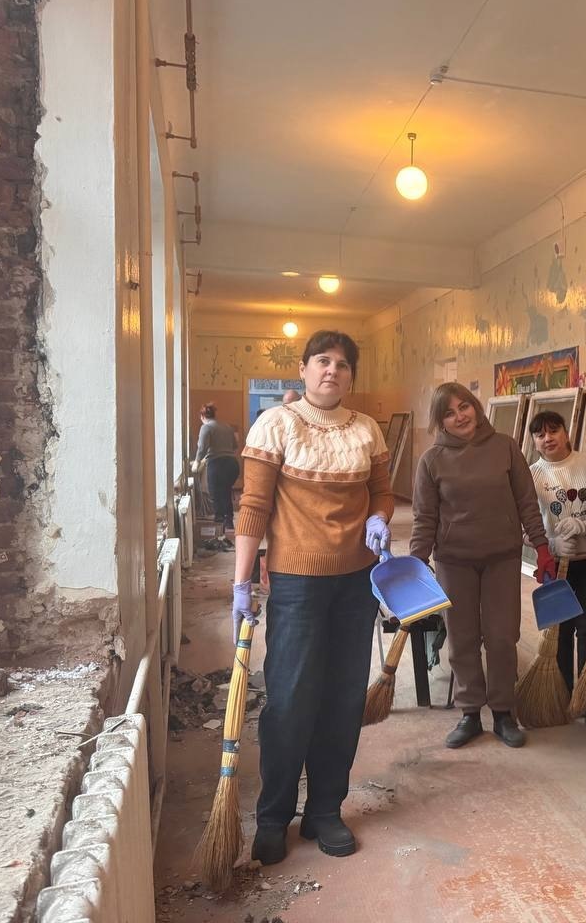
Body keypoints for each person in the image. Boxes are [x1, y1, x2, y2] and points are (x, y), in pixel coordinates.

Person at [231, 330, 393, 865]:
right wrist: (241, 581)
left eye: (343, 365)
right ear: (303, 370)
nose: (332, 371)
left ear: (351, 376)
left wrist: (379, 517)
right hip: (297, 584)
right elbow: (254, 506)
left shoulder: (366, 429)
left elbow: (382, 492)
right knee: (290, 699)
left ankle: (325, 810)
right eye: (322, 361)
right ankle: (274, 816)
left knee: (343, 699)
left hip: (357, 582)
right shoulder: (277, 424)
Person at [411, 382, 553, 750]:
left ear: (475, 406)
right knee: (462, 638)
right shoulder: (431, 461)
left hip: (501, 557)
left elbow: (526, 501)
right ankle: (470, 713)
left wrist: (541, 547)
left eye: (464, 407)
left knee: (502, 636)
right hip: (453, 560)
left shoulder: (505, 447)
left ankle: (504, 712)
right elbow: (425, 517)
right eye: (449, 413)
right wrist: (416, 560)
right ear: (440, 421)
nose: (460, 416)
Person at [528, 409, 586, 728]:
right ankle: (560, 695)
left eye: (553, 431)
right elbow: (522, 525)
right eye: (540, 435)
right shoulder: (531, 476)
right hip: (555, 565)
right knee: (558, 632)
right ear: (534, 442)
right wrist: (549, 544)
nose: (547, 438)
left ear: (566, 432)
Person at [195, 403, 241, 545]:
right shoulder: (227, 426)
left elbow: (202, 447)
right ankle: (229, 522)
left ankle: (218, 524)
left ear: (202, 416)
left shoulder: (206, 427)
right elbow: (235, 446)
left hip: (217, 464)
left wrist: (197, 461)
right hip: (232, 464)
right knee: (225, 491)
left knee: (215, 494)